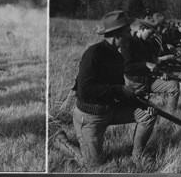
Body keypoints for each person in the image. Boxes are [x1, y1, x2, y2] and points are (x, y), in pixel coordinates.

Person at [55, 11, 157, 167]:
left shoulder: (117, 56)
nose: (131, 34)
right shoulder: (93, 54)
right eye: (127, 31)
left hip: (109, 109)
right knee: (93, 165)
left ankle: (137, 156)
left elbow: (118, 89)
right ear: (117, 35)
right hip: (90, 116)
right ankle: (60, 140)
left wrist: (141, 104)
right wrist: (121, 90)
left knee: (147, 115)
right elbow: (85, 90)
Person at [121, 16, 180, 113]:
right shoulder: (128, 43)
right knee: (152, 111)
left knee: (173, 85)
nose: (152, 36)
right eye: (151, 32)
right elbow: (126, 68)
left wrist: (160, 74)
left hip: (148, 79)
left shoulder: (147, 44)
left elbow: (153, 63)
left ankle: (171, 114)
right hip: (135, 83)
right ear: (142, 28)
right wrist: (145, 64)